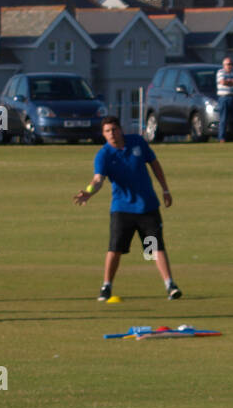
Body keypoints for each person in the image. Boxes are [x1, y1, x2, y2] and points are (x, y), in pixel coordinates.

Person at [75, 115, 180, 302]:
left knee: (153, 248)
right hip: (122, 209)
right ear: (103, 134)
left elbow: (154, 164)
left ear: (120, 129)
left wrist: (165, 189)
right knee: (115, 249)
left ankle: (170, 285)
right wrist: (89, 192)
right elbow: (98, 179)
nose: (112, 134)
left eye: (114, 129)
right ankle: (106, 286)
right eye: (107, 131)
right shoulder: (104, 155)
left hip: (147, 207)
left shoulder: (137, 143)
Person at [216, 56, 233, 143]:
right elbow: (223, 82)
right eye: (228, 64)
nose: (230, 66)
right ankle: (221, 138)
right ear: (224, 65)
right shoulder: (220, 72)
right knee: (223, 119)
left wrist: (229, 82)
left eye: (231, 64)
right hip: (224, 98)